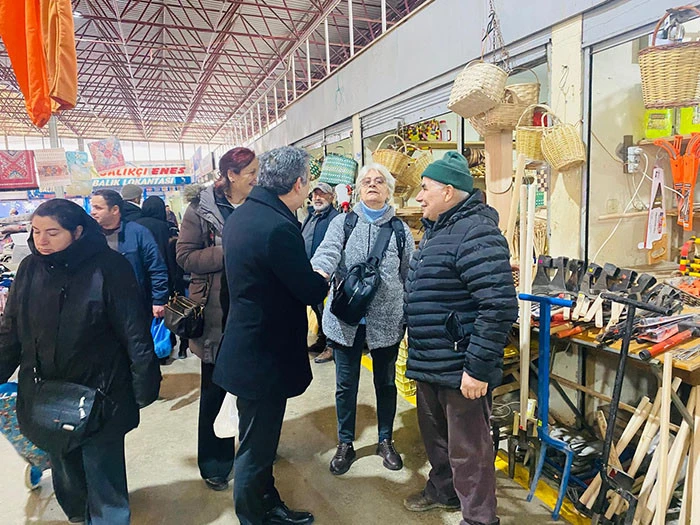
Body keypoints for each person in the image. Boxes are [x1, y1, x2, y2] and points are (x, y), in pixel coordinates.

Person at [0, 199, 161, 525]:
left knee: (103, 472)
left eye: (52, 233)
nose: (41, 240)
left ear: (77, 232)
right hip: (45, 393)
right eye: (36, 231)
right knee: (64, 465)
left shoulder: (109, 266)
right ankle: (78, 512)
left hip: (101, 392)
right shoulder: (30, 268)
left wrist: (144, 384)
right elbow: (11, 328)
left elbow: (134, 332)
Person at [214, 146, 328, 525]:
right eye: (307, 182)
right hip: (263, 355)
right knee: (255, 448)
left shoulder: (243, 215)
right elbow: (307, 288)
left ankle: (268, 503)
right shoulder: (278, 226)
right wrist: (322, 278)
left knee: (259, 442)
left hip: (248, 344)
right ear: (297, 184)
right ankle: (253, 516)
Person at [402, 152, 518, 525]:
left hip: (459, 366)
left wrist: (477, 369)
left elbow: (498, 306)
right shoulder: (438, 230)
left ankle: (480, 518)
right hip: (431, 361)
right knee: (437, 440)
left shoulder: (476, 232)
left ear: (448, 192)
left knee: (469, 451)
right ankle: (444, 491)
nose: (419, 196)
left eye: (425, 188)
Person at [311, 163, 414, 476]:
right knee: (345, 385)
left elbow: (409, 273)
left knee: (386, 383)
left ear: (388, 191)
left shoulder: (400, 230)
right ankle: (345, 442)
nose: (372, 185)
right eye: (366, 181)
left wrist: (410, 315)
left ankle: (385, 440)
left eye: (379, 181)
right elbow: (328, 251)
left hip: (387, 320)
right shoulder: (343, 223)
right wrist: (318, 272)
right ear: (357, 189)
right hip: (346, 320)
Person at [176, 146, 258, 491]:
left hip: (254, 311)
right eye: (251, 173)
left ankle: (256, 451)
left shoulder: (260, 204)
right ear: (231, 176)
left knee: (255, 389)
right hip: (215, 315)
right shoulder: (201, 209)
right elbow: (185, 257)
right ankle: (215, 463)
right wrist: (230, 251)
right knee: (216, 390)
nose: (256, 178)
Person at [90, 189, 169, 319]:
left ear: (115, 210)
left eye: (98, 208)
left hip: (134, 306)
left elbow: (156, 268)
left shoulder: (138, 233)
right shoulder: (90, 236)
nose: (93, 212)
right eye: (93, 207)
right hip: (99, 308)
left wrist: (159, 300)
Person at [300, 181, 339, 363]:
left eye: (322, 194)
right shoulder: (311, 216)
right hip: (310, 273)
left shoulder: (336, 219)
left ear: (331, 197)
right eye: (315, 194)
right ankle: (322, 340)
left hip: (327, 274)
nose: (317, 197)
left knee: (328, 311)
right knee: (317, 309)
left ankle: (331, 347)